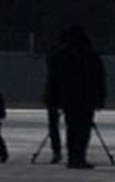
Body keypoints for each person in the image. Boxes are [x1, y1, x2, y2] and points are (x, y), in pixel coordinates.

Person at [45, 24, 106, 169]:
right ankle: (80, 156)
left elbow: (54, 77)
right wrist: (100, 98)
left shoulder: (60, 54)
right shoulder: (90, 53)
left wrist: (54, 97)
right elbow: (100, 77)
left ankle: (72, 156)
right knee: (83, 128)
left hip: (68, 96)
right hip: (86, 97)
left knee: (71, 127)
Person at [42, 29, 67, 164]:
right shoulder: (71, 54)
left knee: (53, 125)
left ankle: (56, 151)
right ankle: (74, 151)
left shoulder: (53, 54)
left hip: (53, 94)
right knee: (75, 124)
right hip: (68, 93)